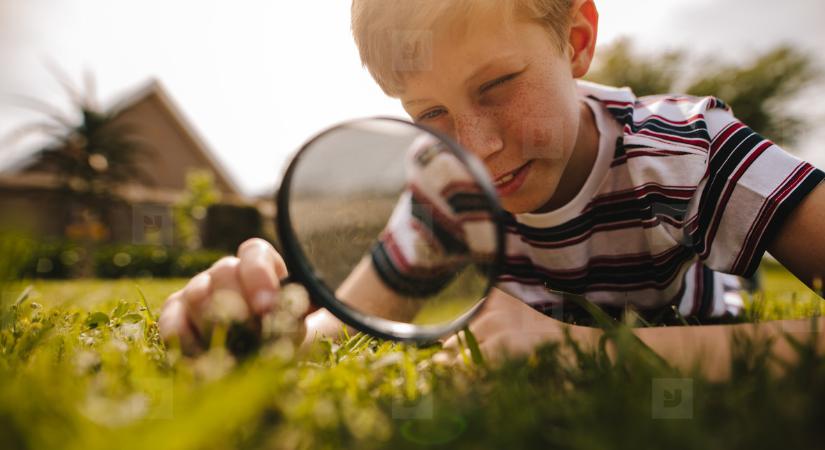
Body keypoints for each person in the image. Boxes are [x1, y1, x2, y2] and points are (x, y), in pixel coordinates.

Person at [159, 0, 825, 380]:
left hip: (697, 301)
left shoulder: (684, 149)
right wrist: (245, 326)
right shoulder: (445, 186)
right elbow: (346, 316)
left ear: (576, 40)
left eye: (497, 85)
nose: (473, 149)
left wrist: (586, 353)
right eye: (429, 114)